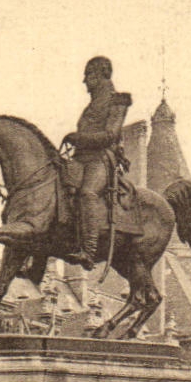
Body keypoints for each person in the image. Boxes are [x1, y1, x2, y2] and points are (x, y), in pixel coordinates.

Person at [61, 55, 132, 269]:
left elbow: (110, 135)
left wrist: (79, 138)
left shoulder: (118, 101)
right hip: (81, 159)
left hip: (102, 159)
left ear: (101, 75)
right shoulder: (90, 106)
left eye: (88, 75)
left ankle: (89, 251)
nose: (85, 81)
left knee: (88, 193)